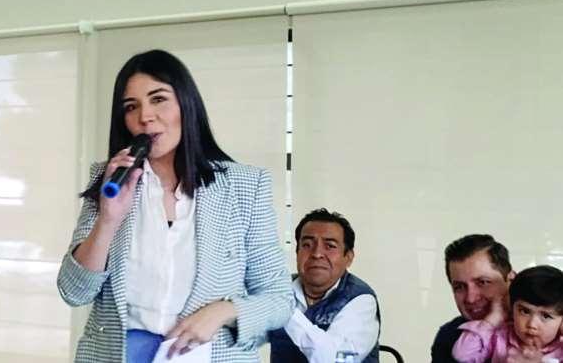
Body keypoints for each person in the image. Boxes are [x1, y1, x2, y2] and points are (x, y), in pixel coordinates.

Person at [57, 49, 293, 362]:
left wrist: (223, 311)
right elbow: (74, 292)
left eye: (158, 99)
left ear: (186, 103)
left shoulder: (245, 186)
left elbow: (279, 299)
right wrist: (108, 220)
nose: (145, 117)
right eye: (131, 107)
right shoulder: (111, 180)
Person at [268, 208, 380, 362]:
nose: (316, 254)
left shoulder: (361, 300)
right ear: (297, 252)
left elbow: (332, 359)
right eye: (307, 245)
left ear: (348, 257)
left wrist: (285, 308)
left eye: (330, 246)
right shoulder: (280, 288)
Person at [452, 265, 563, 363]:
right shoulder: (501, 336)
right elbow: (462, 355)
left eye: (546, 316)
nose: (532, 324)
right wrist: (493, 318)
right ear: (512, 307)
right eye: (524, 311)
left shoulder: (560, 348)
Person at [432, 234, 514, 363]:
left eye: (483, 282)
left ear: (511, 280)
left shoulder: (541, 327)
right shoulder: (449, 336)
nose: (471, 299)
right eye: (459, 287)